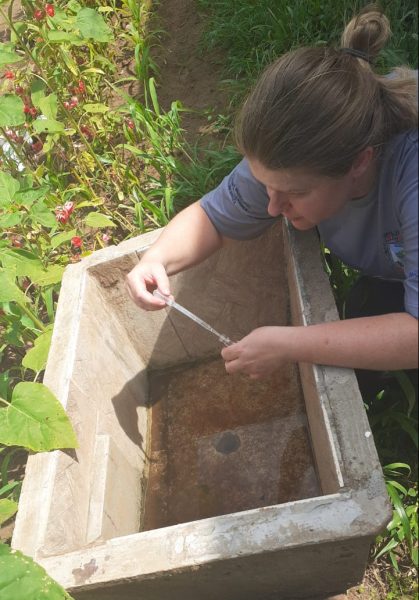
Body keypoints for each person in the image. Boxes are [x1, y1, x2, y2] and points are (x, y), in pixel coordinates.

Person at [126, 7, 418, 381]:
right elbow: (211, 218)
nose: (272, 206)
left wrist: (289, 344)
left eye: (294, 193)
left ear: (359, 163)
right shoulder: (290, 158)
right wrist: (157, 259)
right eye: (266, 185)